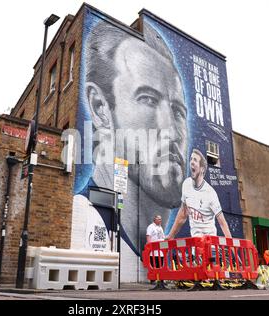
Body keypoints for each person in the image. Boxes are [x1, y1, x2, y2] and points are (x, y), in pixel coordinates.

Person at [72, 19, 188, 269]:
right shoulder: (79, 219)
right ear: (100, 108)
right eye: (148, 99)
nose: (172, 130)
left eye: (178, 110)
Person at [166, 148, 232, 239]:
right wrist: (171, 235)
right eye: (191, 159)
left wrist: (233, 248)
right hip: (195, 247)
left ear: (202, 169)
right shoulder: (186, 184)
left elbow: (222, 223)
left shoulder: (210, 193)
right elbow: (183, 213)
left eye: (195, 160)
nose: (192, 162)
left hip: (210, 247)